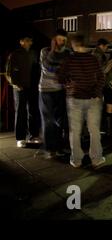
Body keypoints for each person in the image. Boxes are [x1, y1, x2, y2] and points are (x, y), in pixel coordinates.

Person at [58, 34, 105, 168]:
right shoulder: (94, 59)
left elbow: (60, 77)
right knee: (94, 130)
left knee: (75, 131)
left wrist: (69, 85)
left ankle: (76, 160)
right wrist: (96, 92)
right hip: (93, 98)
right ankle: (96, 158)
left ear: (74, 45)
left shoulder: (69, 60)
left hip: (74, 98)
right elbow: (102, 77)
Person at [37, 29, 71, 159]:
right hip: (46, 90)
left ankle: (59, 146)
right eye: (59, 39)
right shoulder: (45, 51)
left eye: (64, 40)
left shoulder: (67, 53)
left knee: (60, 121)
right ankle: (50, 148)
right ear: (54, 39)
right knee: (48, 120)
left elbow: (68, 70)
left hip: (61, 90)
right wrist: (53, 52)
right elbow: (46, 68)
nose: (61, 42)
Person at [5, 33, 41, 148]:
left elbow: (37, 69)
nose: (29, 42)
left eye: (30, 40)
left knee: (33, 111)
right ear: (21, 42)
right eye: (26, 40)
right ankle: (20, 138)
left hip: (33, 87)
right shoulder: (15, 54)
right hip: (20, 88)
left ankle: (33, 135)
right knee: (20, 112)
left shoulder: (34, 53)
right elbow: (8, 72)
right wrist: (15, 84)